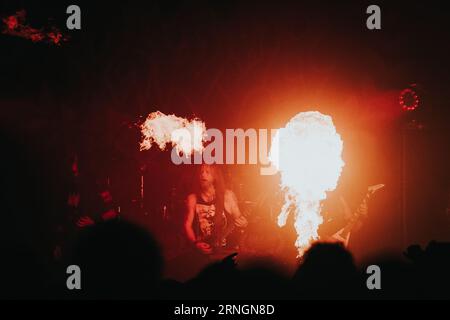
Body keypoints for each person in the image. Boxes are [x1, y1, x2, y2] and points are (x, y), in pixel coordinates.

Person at [184, 164, 248, 255]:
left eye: (207, 172)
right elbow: (187, 225)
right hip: (203, 251)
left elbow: (240, 220)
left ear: (215, 176)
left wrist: (244, 223)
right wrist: (196, 243)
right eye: (201, 172)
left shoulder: (227, 196)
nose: (203, 175)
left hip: (226, 252)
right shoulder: (192, 198)